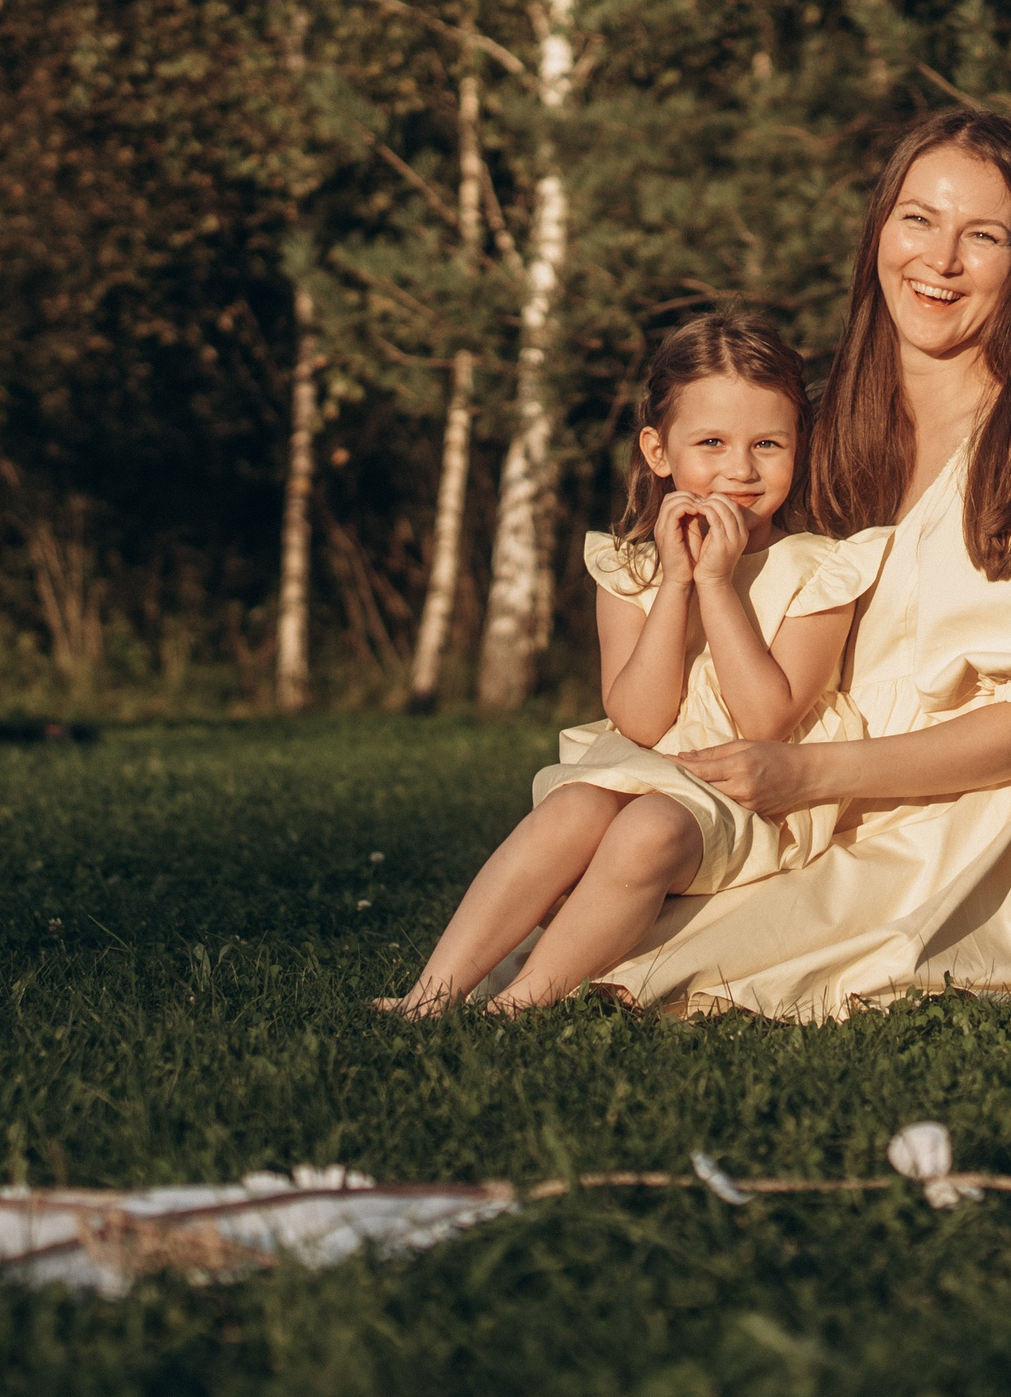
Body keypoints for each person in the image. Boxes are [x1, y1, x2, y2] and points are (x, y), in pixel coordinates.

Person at [592, 109, 1011, 1019]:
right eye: (918, 218)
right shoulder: (812, 420)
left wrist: (805, 776)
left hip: (926, 836)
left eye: (984, 236)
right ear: (879, 226)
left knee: (652, 972)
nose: (942, 260)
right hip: (778, 807)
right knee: (585, 899)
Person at [378, 315, 889, 1015]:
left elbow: (766, 718)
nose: (741, 469)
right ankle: (430, 995)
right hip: (648, 769)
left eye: (768, 444)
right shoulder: (632, 571)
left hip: (747, 799)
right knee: (572, 806)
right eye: (711, 443)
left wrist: (716, 584)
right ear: (658, 450)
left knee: (648, 828)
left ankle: (521, 1004)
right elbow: (640, 721)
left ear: (800, 449)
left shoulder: (819, 570)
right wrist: (676, 585)